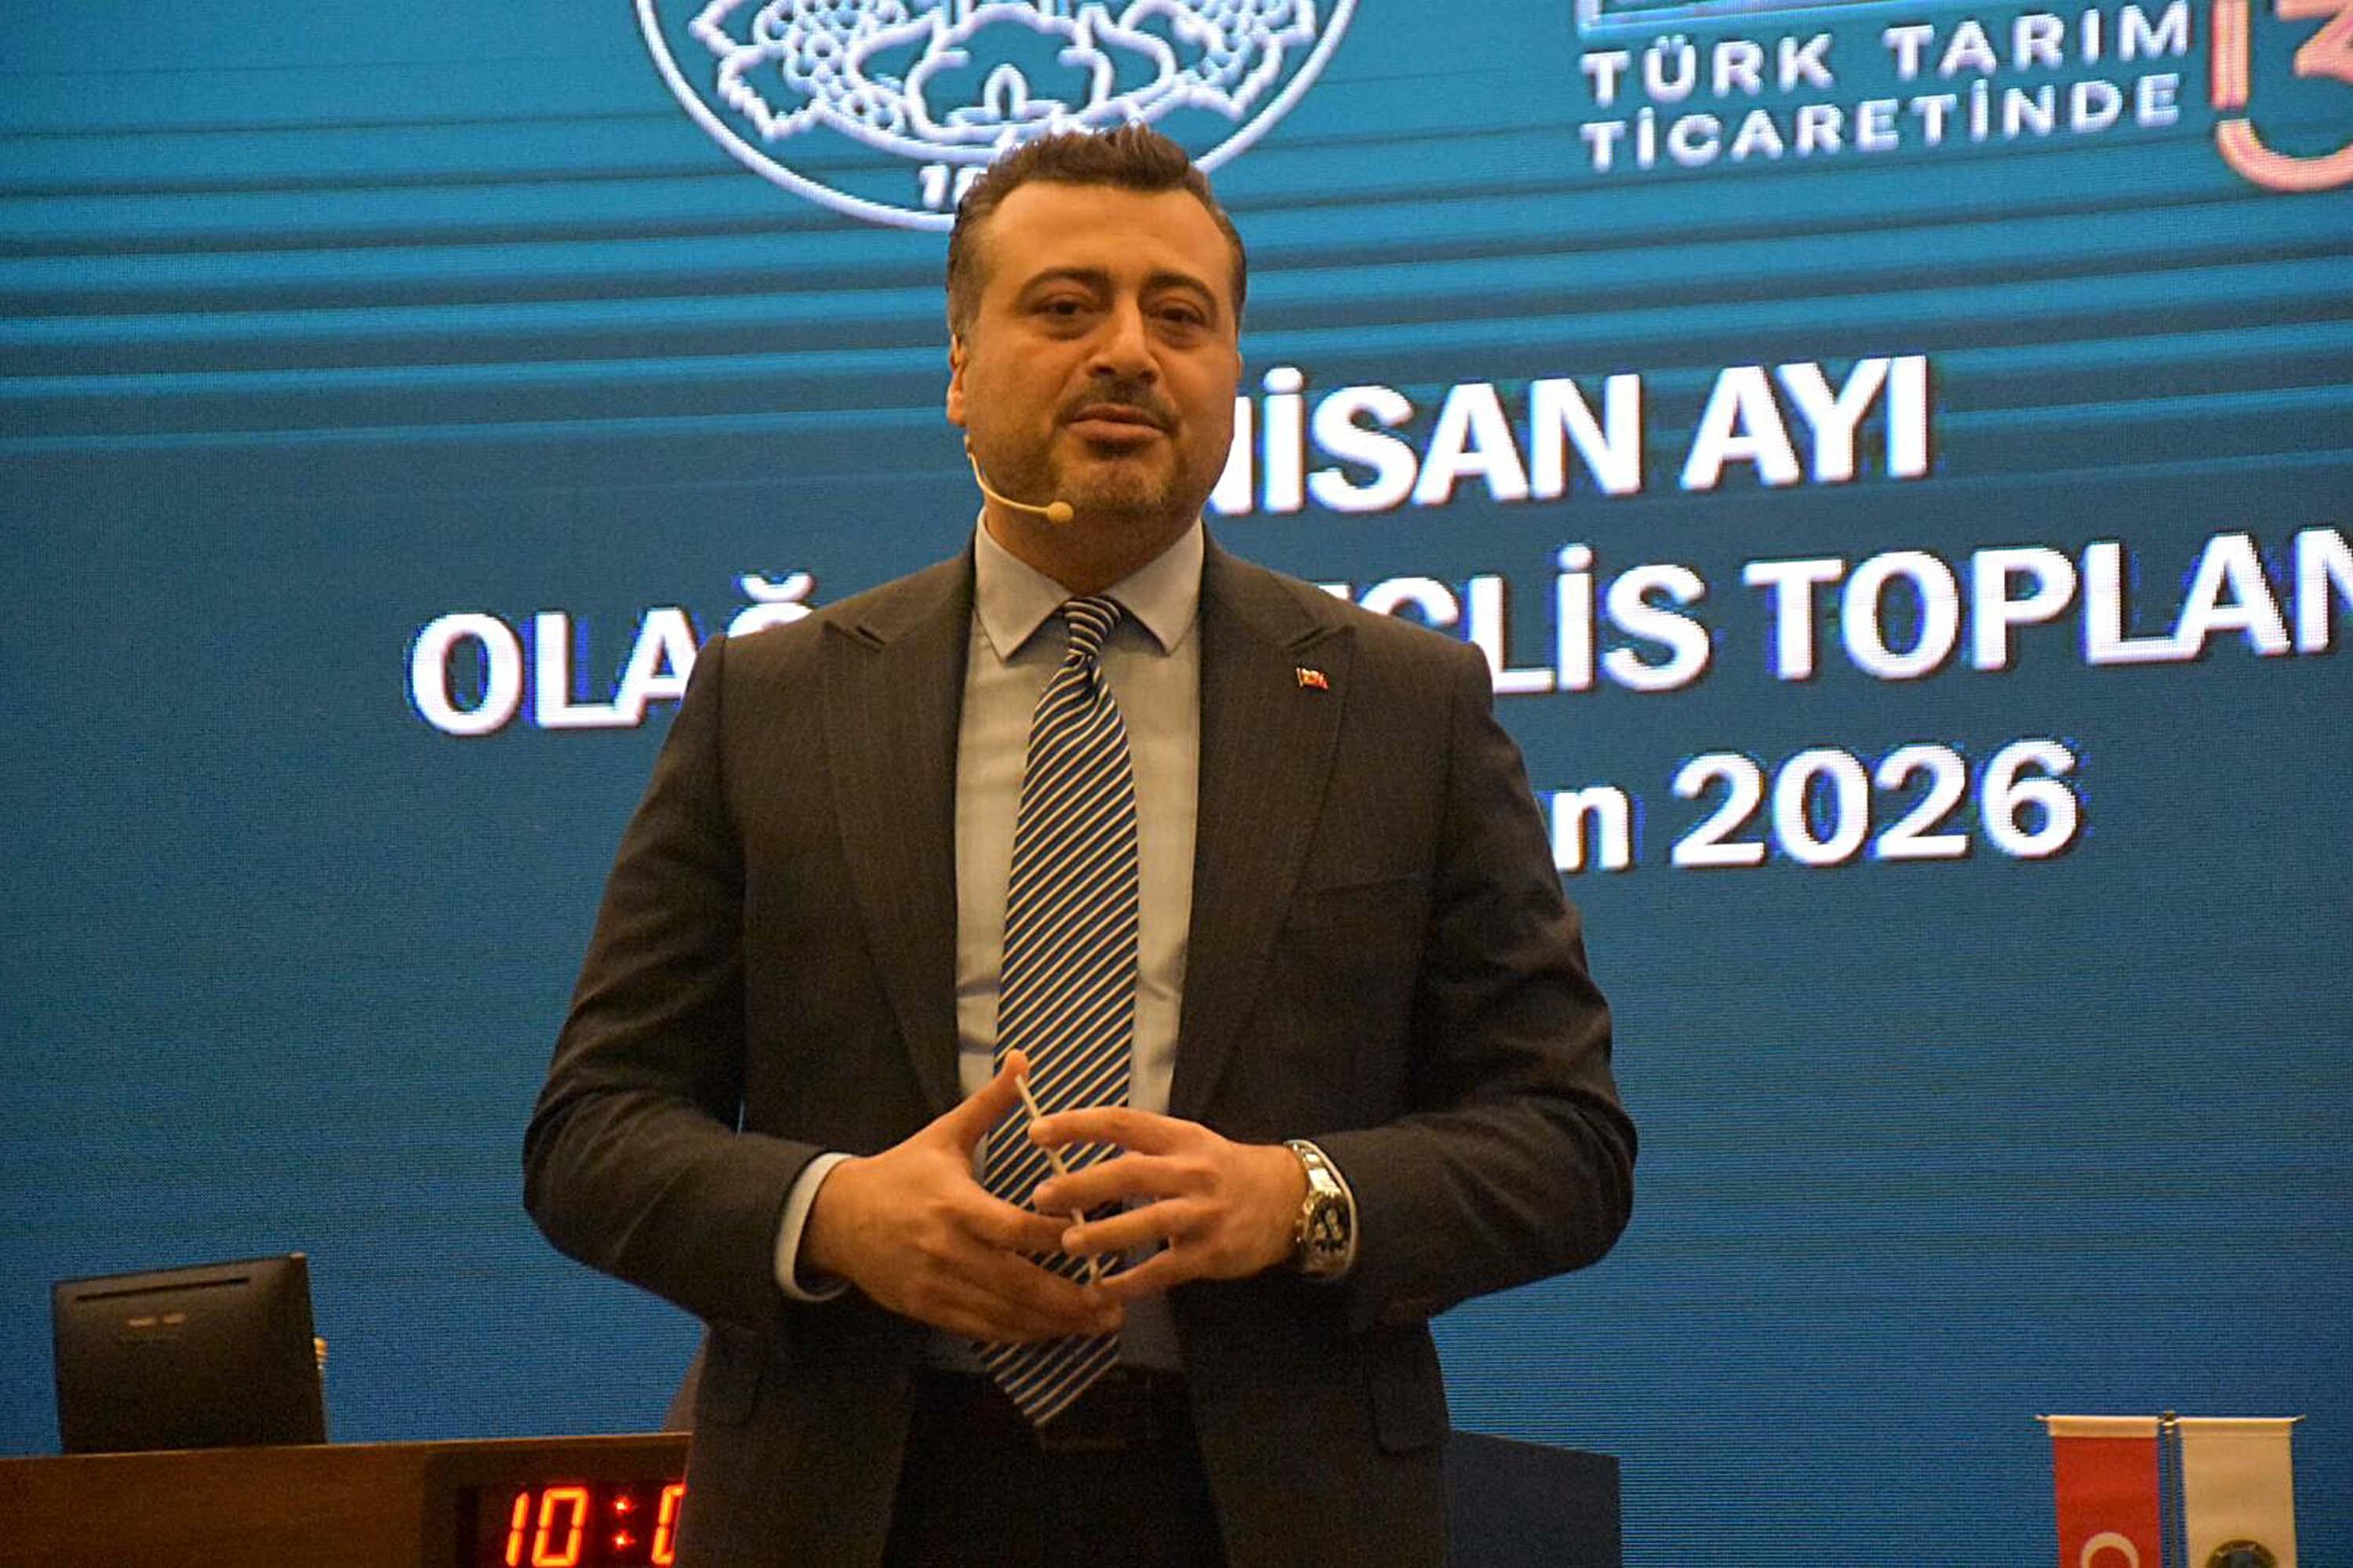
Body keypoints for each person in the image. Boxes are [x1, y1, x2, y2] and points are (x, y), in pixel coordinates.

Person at [523, 123, 1635, 1568]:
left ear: (1234, 373)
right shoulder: (774, 700)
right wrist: (837, 1213)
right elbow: (594, 1132)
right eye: (1064, 307)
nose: (1127, 352)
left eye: (1181, 316)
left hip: (1269, 1510)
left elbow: (1566, 1143)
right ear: (959, 370)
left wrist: (1291, 1196)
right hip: (858, 1499)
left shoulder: (1401, 705)